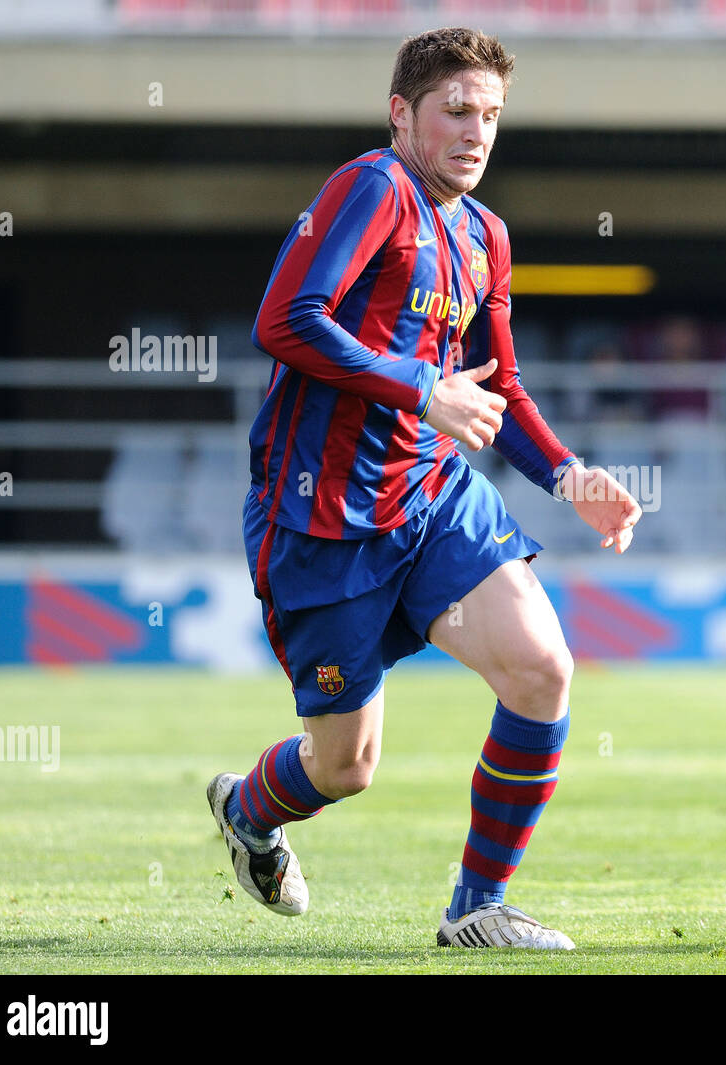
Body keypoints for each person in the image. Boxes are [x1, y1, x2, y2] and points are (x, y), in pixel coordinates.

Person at [207, 27, 641, 951]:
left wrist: (571, 475)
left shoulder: (487, 236)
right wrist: (422, 388)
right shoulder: (374, 188)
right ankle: (250, 808)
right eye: (455, 110)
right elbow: (285, 319)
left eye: (490, 115)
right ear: (402, 113)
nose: (475, 131)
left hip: (435, 494)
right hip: (323, 518)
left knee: (541, 668)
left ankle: (476, 905)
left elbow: (499, 386)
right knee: (345, 766)